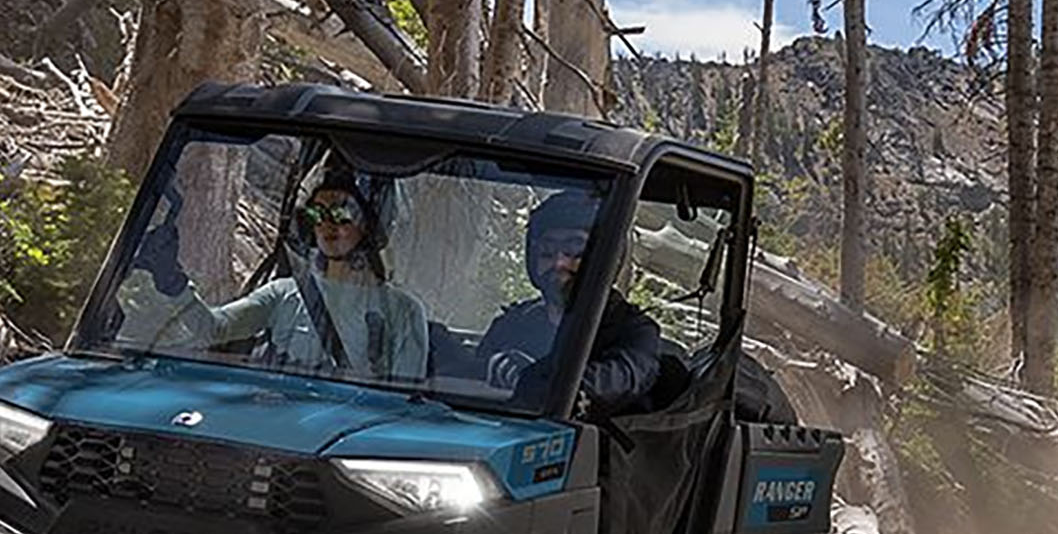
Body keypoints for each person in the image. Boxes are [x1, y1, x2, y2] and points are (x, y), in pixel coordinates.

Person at [119, 169, 429, 382]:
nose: (327, 225)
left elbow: (404, 401)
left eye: (340, 214)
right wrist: (172, 281)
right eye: (317, 215)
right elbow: (213, 329)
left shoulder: (402, 310)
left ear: (369, 225)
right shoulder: (283, 293)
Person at [475, 188, 660, 416]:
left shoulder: (633, 331)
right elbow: (467, 380)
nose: (559, 263)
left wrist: (535, 381)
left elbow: (615, 382)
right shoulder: (513, 324)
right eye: (547, 251)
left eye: (574, 250)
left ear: (603, 257)